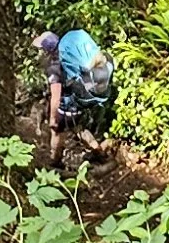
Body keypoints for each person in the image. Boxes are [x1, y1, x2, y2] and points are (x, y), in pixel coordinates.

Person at [37, 25, 117, 163]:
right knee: (78, 128)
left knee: (56, 132)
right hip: (83, 99)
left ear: (47, 50)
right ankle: (98, 151)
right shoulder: (71, 53)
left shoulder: (54, 66)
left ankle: (55, 161)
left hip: (67, 106)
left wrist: (52, 119)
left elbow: (55, 97)